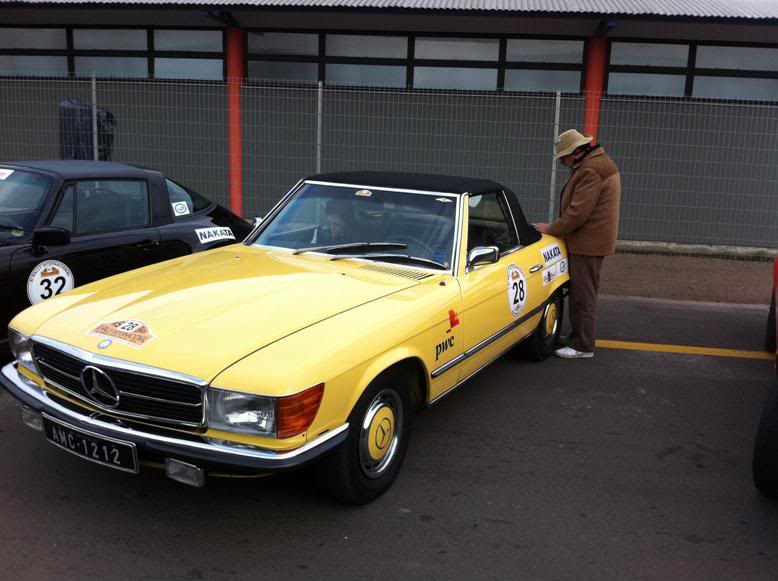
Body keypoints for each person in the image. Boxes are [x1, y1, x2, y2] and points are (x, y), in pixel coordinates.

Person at [534, 129, 621, 359]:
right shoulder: (596, 163)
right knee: (583, 291)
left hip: (588, 243)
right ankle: (578, 337)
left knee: (583, 294)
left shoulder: (592, 169)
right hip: (590, 240)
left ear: (576, 152)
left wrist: (552, 229)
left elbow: (578, 213)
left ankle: (583, 345)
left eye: (563, 157)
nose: (562, 161)